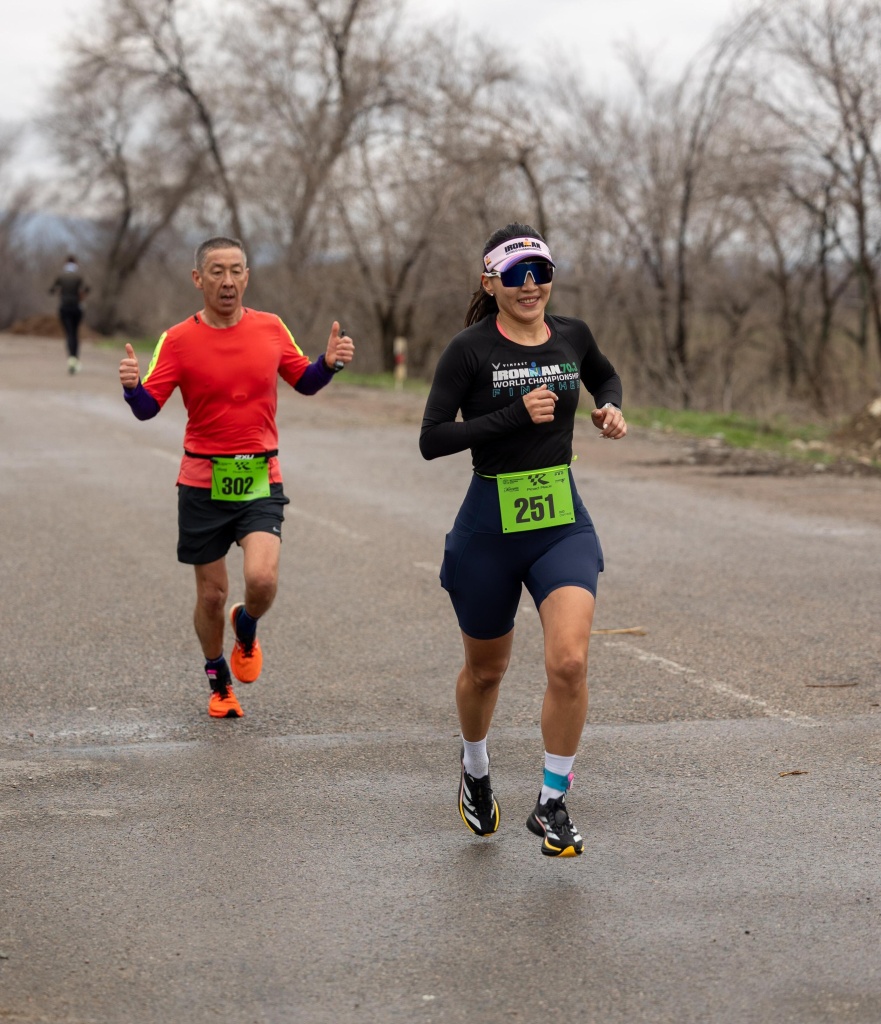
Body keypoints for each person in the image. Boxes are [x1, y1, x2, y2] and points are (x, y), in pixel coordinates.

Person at [419, 222, 627, 857]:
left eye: (540, 270)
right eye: (515, 275)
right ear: (491, 281)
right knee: (486, 672)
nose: (530, 284)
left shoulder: (573, 334)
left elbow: (605, 376)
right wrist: (511, 416)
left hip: (560, 519)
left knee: (569, 661)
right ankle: (475, 769)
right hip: (490, 524)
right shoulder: (469, 350)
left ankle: (551, 801)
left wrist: (609, 408)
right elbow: (432, 439)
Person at [119, 236, 354, 718]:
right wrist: (131, 388)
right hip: (202, 481)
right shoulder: (178, 339)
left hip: (258, 477)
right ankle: (219, 680)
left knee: (262, 581)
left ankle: (245, 627)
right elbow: (147, 409)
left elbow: (303, 380)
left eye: (236, 271)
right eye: (217, 272)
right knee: (211, 594)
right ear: (198, 279)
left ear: (247, 276)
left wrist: (327, 365)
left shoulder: (270, 328)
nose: (228, 281)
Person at [49, 255, 90, 374]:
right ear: (76, 263)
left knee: (69, 333)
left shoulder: (61, 276)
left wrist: (61, 292)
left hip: (64, 308)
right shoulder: (78, 276)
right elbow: (87, 288)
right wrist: (80, 296)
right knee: (75, 333)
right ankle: (75, 358)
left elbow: (51, 290)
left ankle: (71, 359)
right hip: (76, 308)